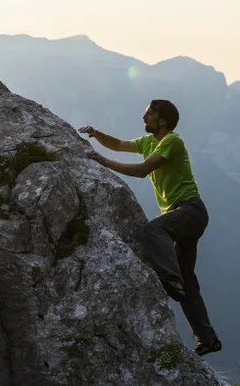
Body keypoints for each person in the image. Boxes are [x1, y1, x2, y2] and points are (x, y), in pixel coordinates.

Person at [79, 99, 222, 356]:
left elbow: (143, 170)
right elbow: (120, 144)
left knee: (153, 230)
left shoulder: (172, 142)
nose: (144, 118)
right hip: (182, 215)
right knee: (189, 283)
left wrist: (101, 161)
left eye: (149, 115)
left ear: (162, 120)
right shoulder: (147, 142)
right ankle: (208, 339)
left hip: (190, 211)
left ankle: (171, 277)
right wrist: (96, 134)